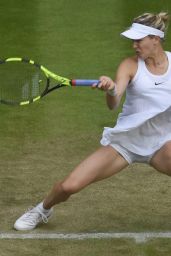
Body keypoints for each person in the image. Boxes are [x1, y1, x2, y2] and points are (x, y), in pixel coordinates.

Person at [14, 11, 171, 231]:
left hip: (161, 143)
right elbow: (114, 102)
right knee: (68, 186)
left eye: (139, 40)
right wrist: (110, 88)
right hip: (125, 143)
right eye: (133, 40)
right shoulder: (130, 65)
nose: (134, 45)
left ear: (155, 39)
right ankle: (42, 209)